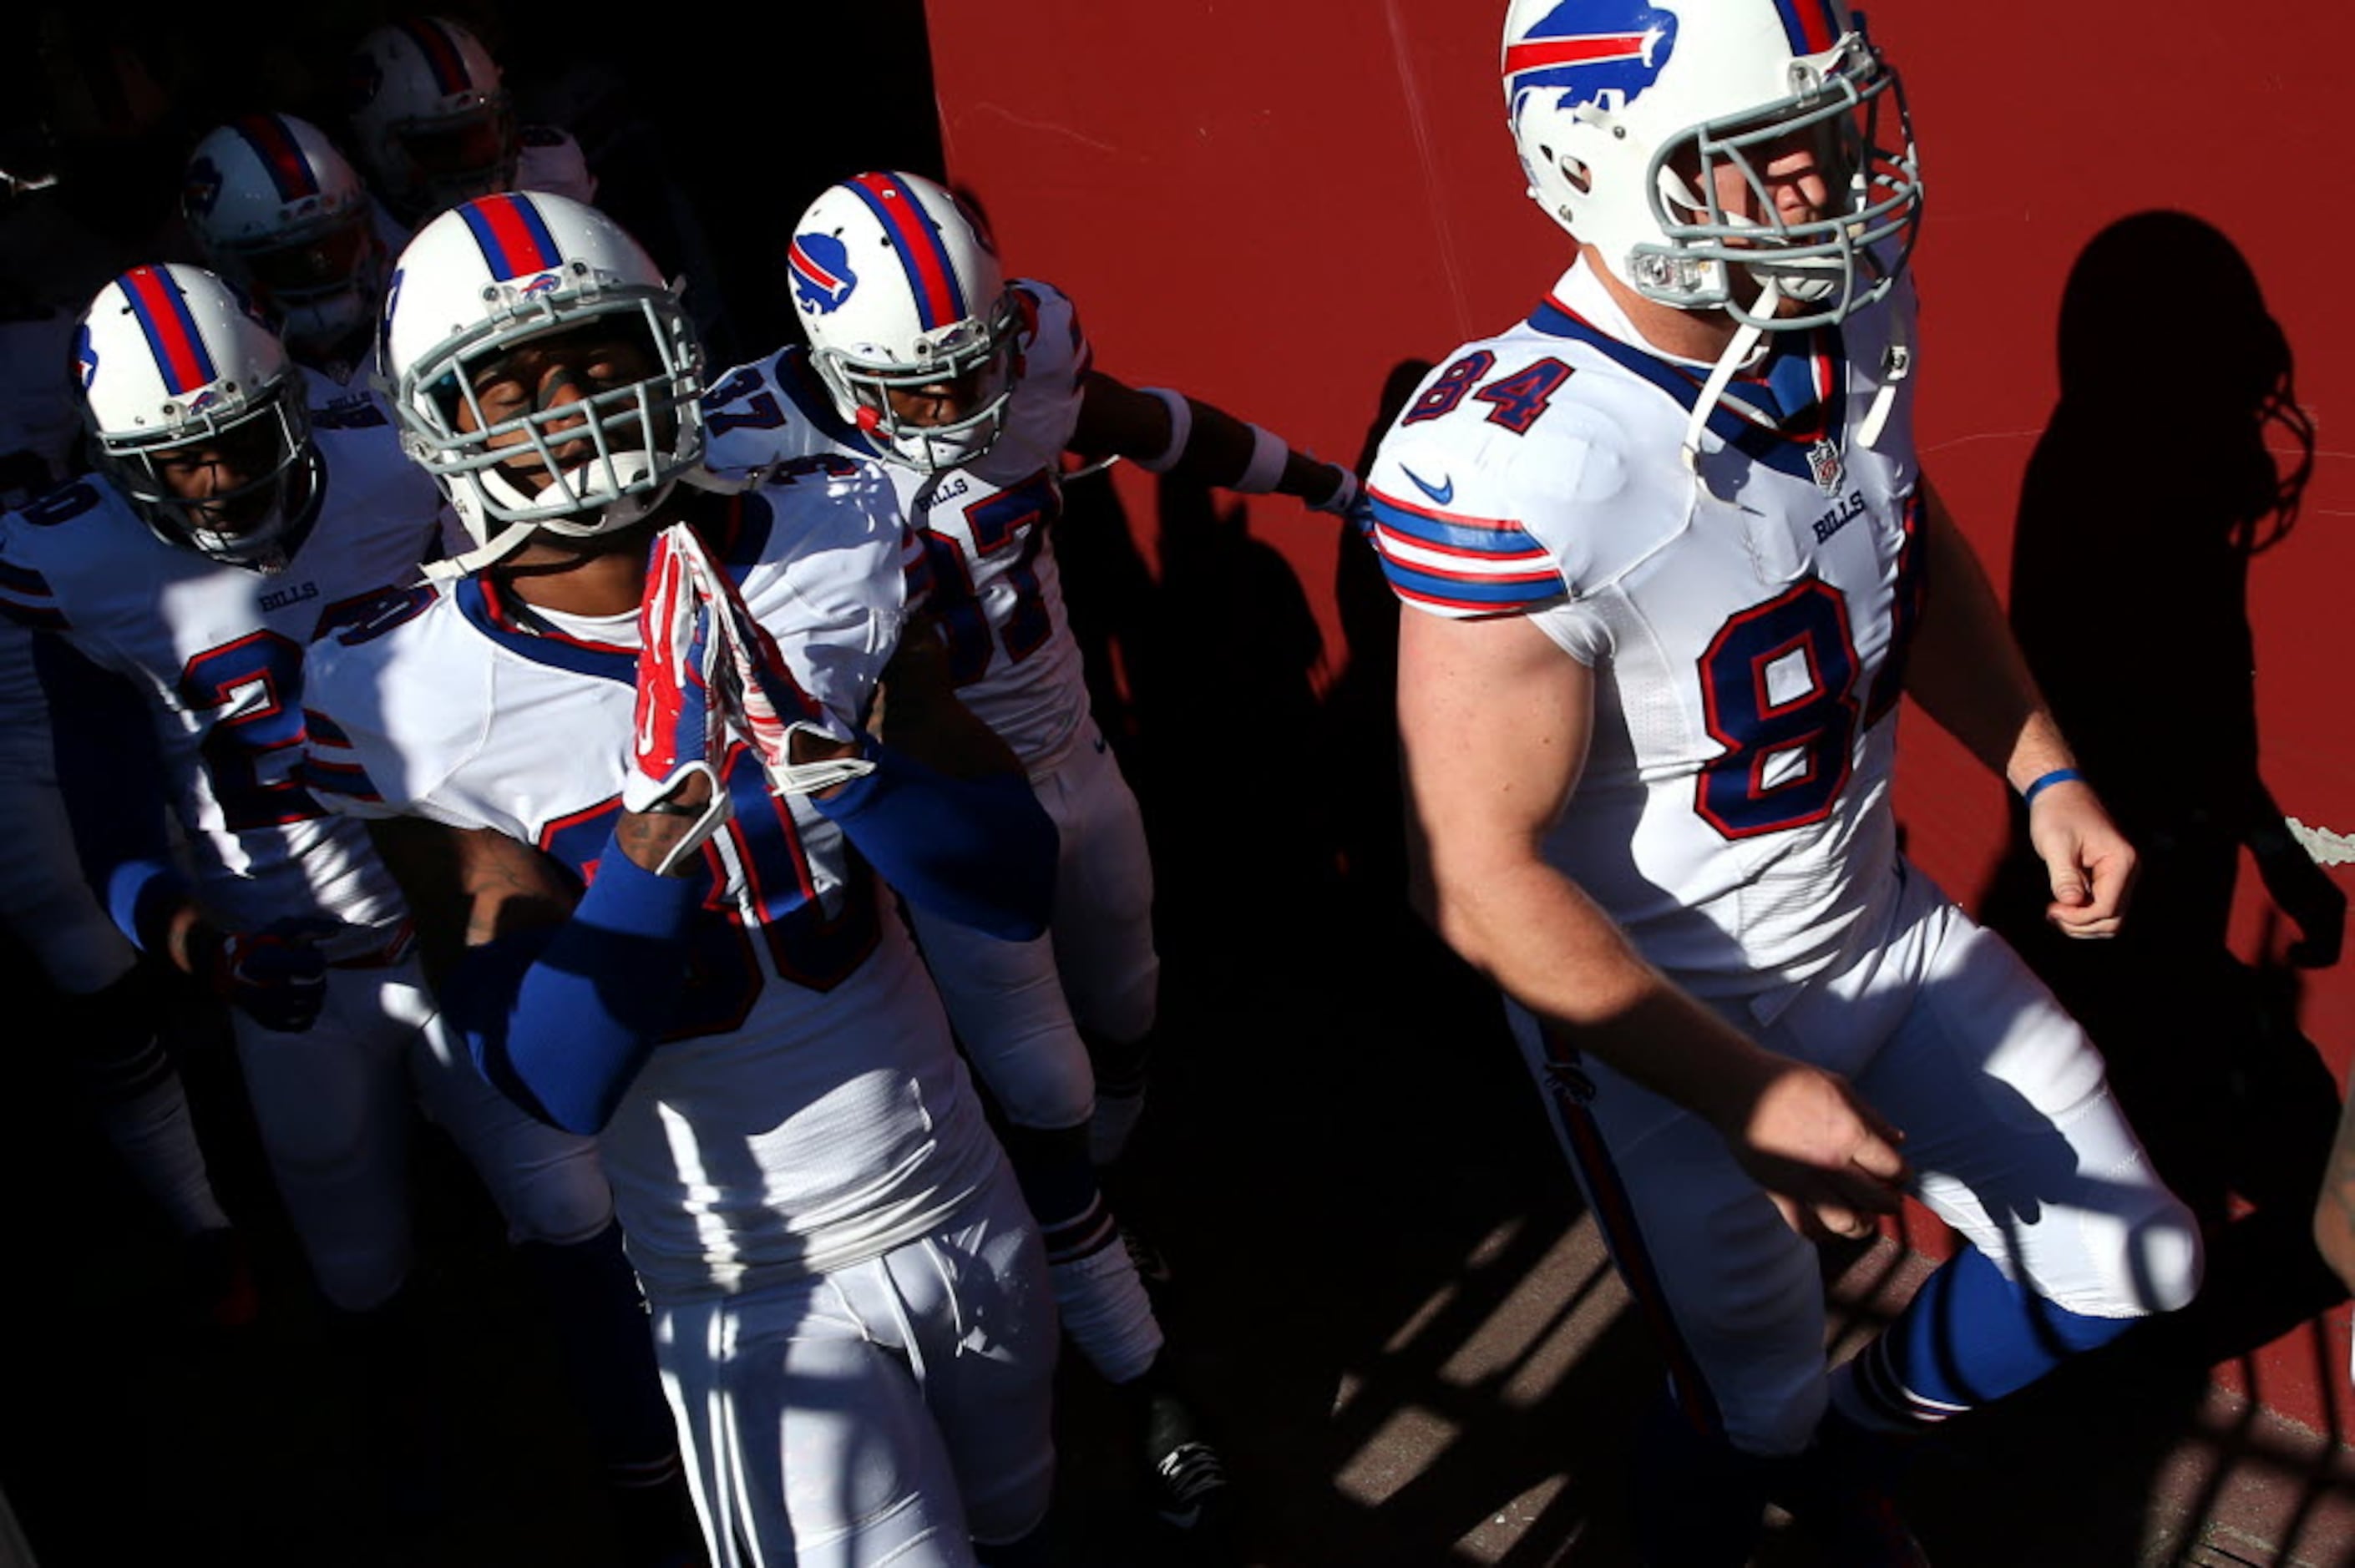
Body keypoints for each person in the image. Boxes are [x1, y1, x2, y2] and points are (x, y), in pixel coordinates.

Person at [1368, 3, 2204, 1559]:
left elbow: (1893, 534)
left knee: (2130, 1261)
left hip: (1874, 921)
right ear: (1600, 167)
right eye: (1764, 160)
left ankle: (1840, 1463)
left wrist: (2041, 763)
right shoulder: (1531, 458)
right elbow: (1470, 875)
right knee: (1745, 1397)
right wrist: (1744, 1089)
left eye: (1832, 135)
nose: (1829, 189)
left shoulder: (1837, 309)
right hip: (1661, 1022)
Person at [301, 190, 1066, 1566]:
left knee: (1021, 1511)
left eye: (595, 359)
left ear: (664, 346)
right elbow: (552, 1076)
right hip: (745, 1277)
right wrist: (650, 847)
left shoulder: (831, 533)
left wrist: (844, 765)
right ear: (433, 422)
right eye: (507, 386)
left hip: (960, 1187)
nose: (568, 409)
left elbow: (1013, 884)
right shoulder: (405, 678)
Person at [0, 261, 695, 1559]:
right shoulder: (79, 563)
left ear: (294, 404)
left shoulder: (398, 471)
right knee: (359, 1265)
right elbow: (105, 809)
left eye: (230, 440)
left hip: (465, 922)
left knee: (576, 1215)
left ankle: (651, 1494)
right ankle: (411, 1484)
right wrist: (192, 940)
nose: (211, 480)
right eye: (177, 459)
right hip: (297, 973)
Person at [701, 166, 1361, 1530]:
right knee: (1044, 1082)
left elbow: (1137, 420)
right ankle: (1145, 1369)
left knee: (1127, 1016)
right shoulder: (747, 444)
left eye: (978, 360)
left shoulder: (1027, 349)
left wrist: (1326, 482)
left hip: (1075, 753)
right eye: (924, 380)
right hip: (945, 796)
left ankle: (1085, 1222)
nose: (965, 401)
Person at [347, 14, 597, 246]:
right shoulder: (362, 232)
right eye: (444, 143)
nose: (476, 156)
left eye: (481, 131)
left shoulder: (550, 171)